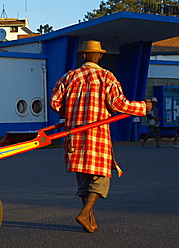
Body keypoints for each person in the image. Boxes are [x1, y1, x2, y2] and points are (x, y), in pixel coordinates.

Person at [50, 40, 152, 233]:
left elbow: (55, 103)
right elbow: (118, 104)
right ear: (100, 56)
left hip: (75, 135)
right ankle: (85, 212)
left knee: (84, 176)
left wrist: (71, 112)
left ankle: (90, 217)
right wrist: (141, 107)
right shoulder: (106, 77)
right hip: (97, 135)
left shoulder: (69, 77)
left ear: (83, 56)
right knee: (101, 178)